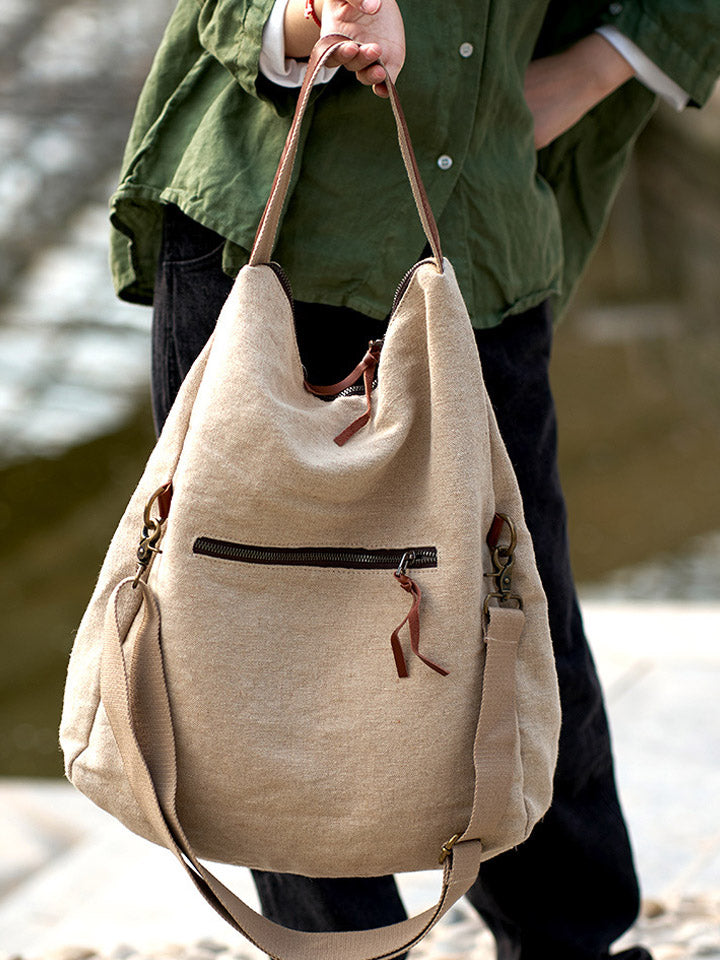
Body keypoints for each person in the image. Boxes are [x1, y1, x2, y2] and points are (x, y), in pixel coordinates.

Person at [109, 1, 720, 958]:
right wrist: (317, 16)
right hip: (267, 223)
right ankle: (339, 947)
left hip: (479, 237)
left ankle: (568, 944)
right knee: (256, 627)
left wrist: (597, 66)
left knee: (517, 618)